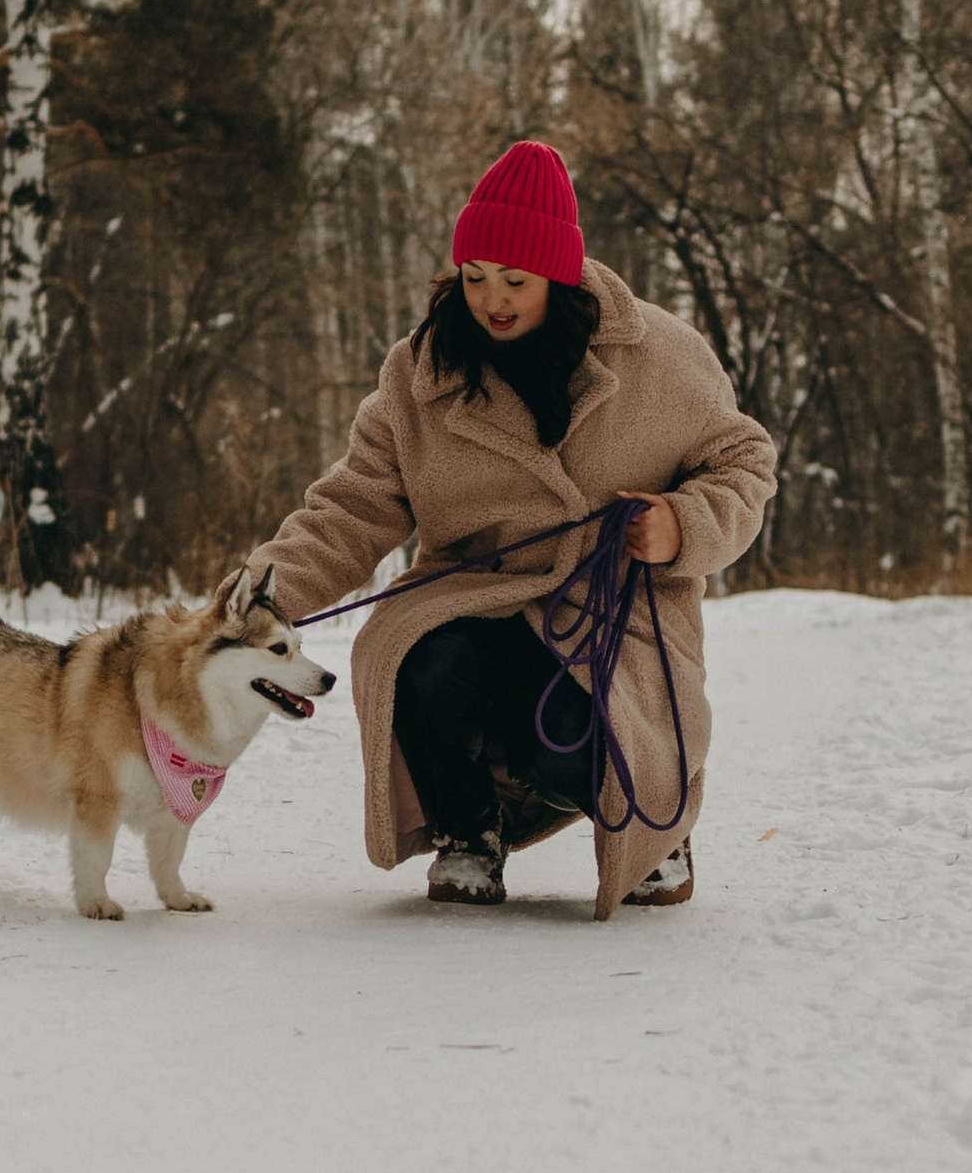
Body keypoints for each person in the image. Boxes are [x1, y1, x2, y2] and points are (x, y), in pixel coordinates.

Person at [249, 141, 778, 917]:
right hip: (473, 601)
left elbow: (744, 459)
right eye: (474, 277)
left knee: (566, 740)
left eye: (515, 281)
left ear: (558, 275)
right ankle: (469, 831)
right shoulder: (422, 372)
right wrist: (261, 595)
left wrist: (681, 524)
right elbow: (353, 505)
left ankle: (657, 827)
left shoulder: (661, 355)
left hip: (612, 613)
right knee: (410, 657)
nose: (491, 299)